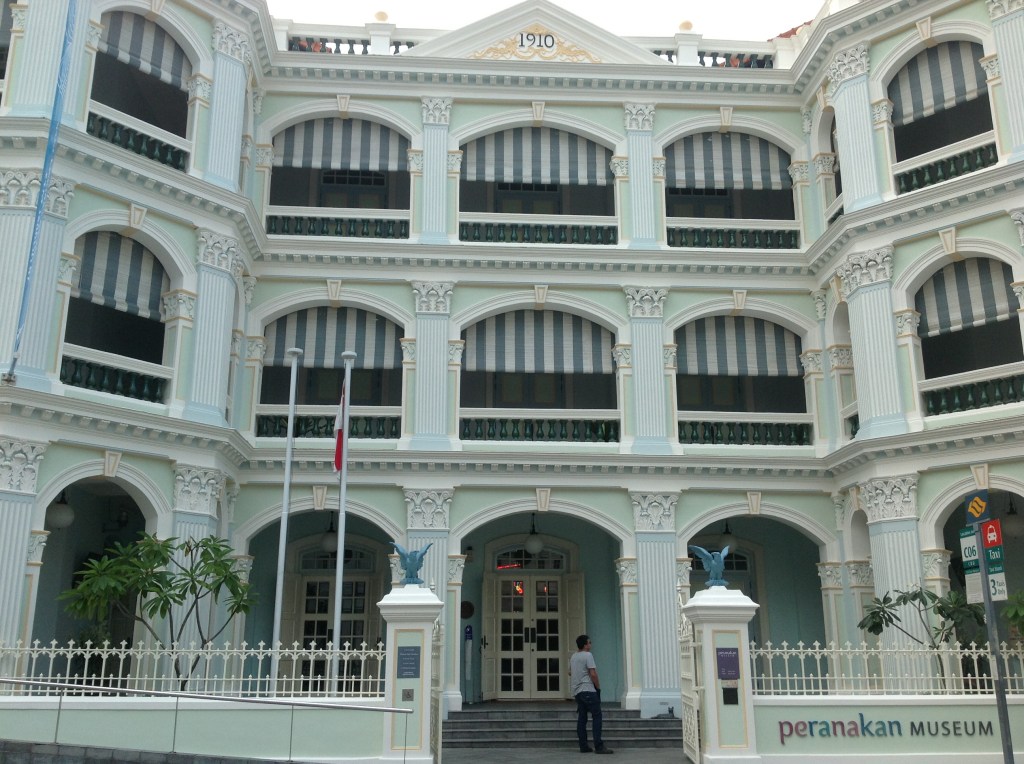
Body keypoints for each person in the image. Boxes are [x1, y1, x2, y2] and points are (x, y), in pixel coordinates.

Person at [569, 634, 613, 754]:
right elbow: (593, 673)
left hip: (577, 692)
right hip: (588, 689)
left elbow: (570, 672)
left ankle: (583, 746)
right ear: (585, 645)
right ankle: (599, 746)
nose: (591, 644)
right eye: (589, 642)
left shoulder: (573, 656)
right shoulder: (588, 655)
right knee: (597, 716)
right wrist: (598, 688)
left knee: (582, 718)